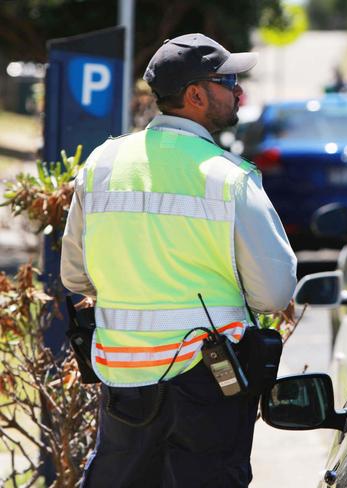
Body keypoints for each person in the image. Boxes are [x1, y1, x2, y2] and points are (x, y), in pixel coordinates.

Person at [60, 33, 297, 487]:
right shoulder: (229, 178)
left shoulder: (102, 165)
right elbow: (274, 293)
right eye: (228, 81)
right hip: (208, 384)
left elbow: (75, 275)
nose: (239, 92)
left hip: (123, 382)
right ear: (195, 95)